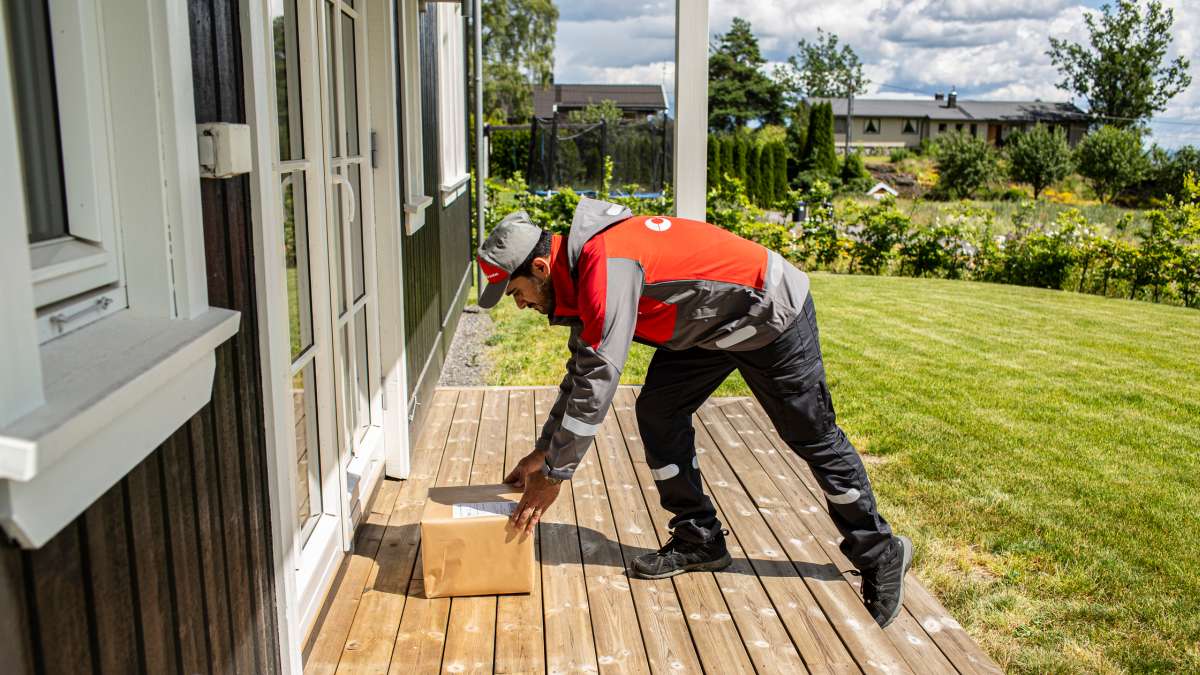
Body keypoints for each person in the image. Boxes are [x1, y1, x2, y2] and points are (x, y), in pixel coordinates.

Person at [483, 198, 912, 628]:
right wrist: (544, 452)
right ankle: (699, 537)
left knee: (811, 435)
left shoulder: (605, 267)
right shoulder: (580, 270)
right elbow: (581, 371)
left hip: (768, 311)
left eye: (516, 293)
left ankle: (881, 551)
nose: (520, 306)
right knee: (659, 412)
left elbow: (598, 381)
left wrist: (555, 474)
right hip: (710, 324)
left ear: (541, 267)